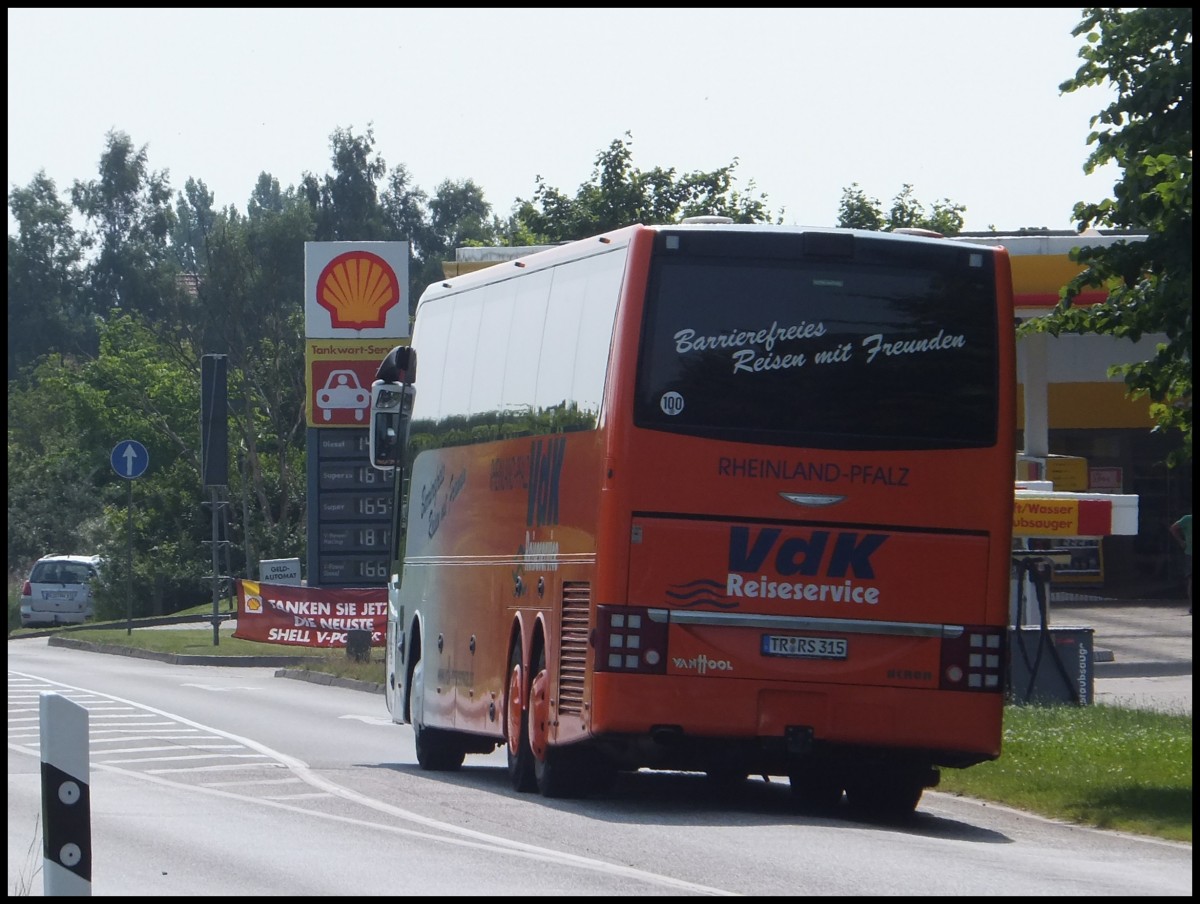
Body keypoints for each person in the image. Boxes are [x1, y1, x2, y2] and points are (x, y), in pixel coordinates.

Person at [1168, 512, 1191, 614]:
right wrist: (1181, 542)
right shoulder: (1188, 519)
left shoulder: (1187, 519)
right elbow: (1173, 528)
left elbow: (1173, 528)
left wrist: (1181, 542)